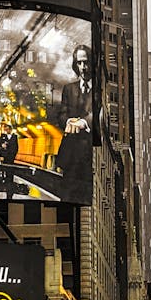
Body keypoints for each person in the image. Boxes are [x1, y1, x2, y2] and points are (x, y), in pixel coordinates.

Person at [56, 45, 93, 201]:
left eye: (85, 62)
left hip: (89, 159)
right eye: (79, 63)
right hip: (70, 157)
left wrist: (84, 123)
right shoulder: (68, 89)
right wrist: (69, 121)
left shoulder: (100, 89)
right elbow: (62, 115)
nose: (83, 68)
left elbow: (99, 115)